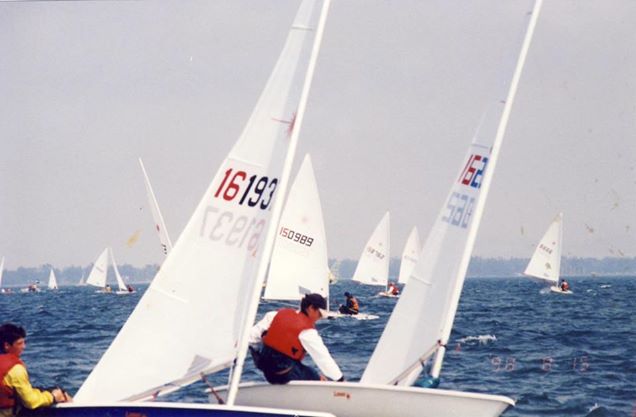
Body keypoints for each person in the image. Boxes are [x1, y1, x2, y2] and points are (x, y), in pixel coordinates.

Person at [249, 293, 343, 384]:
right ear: (310, 308)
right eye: (320, 314)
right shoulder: (307, 332)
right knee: (314, 375)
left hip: (266, 370)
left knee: (306, 370)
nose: (320, 318)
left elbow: (251, 336)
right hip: (283, 375)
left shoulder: (274, 315)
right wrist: (339, 379)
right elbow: (322, 357)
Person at [0, 323, 71, 417]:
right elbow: (31, 402)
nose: (23, 347)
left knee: (45, 390)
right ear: (7, 345)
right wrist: (53, 397)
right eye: (19, 343)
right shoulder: (15, 369)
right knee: (59, 393)